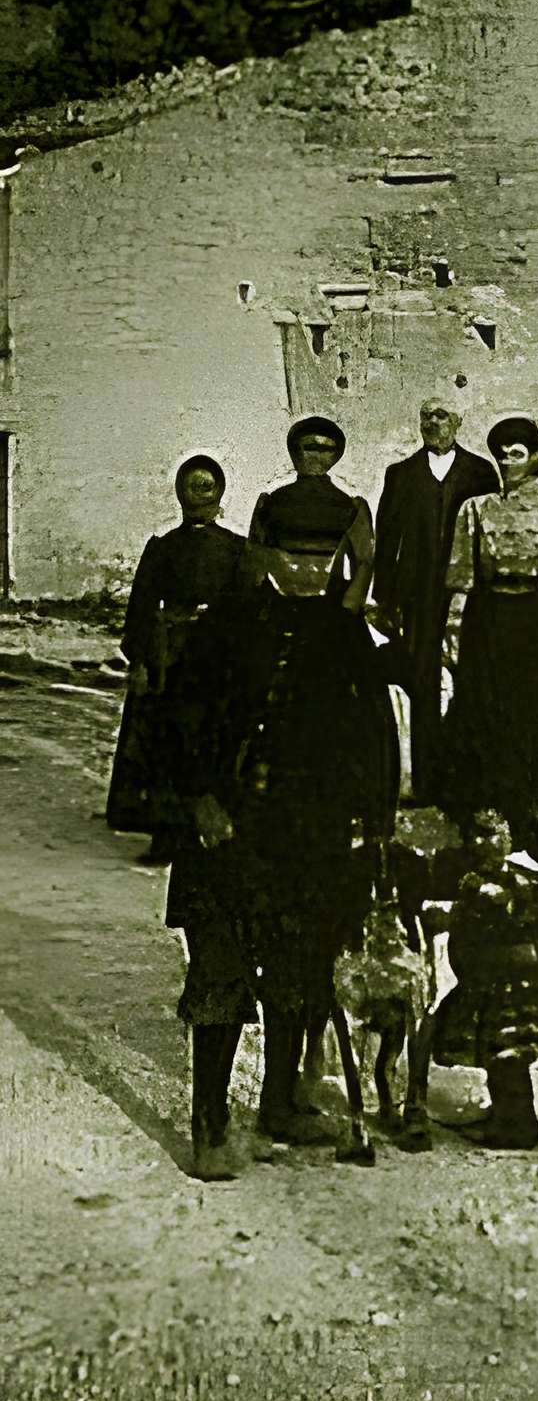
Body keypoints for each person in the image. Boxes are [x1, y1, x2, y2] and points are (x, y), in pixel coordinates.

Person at [165, 415, 398, 1170]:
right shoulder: (227, 626)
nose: (305, 571)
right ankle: (209, 1122)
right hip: (231, 830)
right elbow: (179, 719)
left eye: (320, 558)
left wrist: (375, 818)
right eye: (292, 557)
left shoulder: (345, 635)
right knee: (222, 975)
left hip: (313, 831)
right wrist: (200, 800)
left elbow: (375, 735)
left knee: (301, 969)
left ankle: (282, 1102)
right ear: (267, 553)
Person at [439, 417, 538, 870]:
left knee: (532, 720)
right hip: (488, 620)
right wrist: (453, 631)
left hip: (534, 619)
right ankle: (486, 825)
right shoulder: (476, 508)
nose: (507, 460)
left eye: (517, 452)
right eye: (501, 453)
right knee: (485, 716)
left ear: (537, 456)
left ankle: (529, 828)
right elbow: (462, 574)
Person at [107, 456, 247, 866]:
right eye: (191, 487)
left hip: (217, 658)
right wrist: (144, 659)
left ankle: (211, 827)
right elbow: (142, 608)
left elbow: (246, 610)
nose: (199, 495)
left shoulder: (236, 550)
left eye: (207, 487)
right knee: (169, 743)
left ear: (219, 493)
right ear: (179, 493)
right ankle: (166, 832)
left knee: (214, 739)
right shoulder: (163, 549)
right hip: (174, 658)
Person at [420, 810, 538, 1150]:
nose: (479, 843)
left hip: (504, 984)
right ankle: (507, 1114)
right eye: (473, 836)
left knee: (505, 1054)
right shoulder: (532, 878)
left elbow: (469, 940)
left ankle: (518, 1126)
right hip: (524, 981)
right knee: (507, 1057)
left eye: (488, 834)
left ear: (508, 836)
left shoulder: (483, 886)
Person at [373, 400, 501, 802]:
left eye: (441, 415)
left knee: (470, 681)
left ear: (458, 423)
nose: (432, 423)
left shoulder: (481, 473)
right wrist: (387, 600)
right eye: (426, 415)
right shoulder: (401, 475)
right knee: (422, 683)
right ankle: (427, 781)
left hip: (469, 596)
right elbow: (386, 540)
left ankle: (468, 780)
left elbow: (493, 535)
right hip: (419, 599)